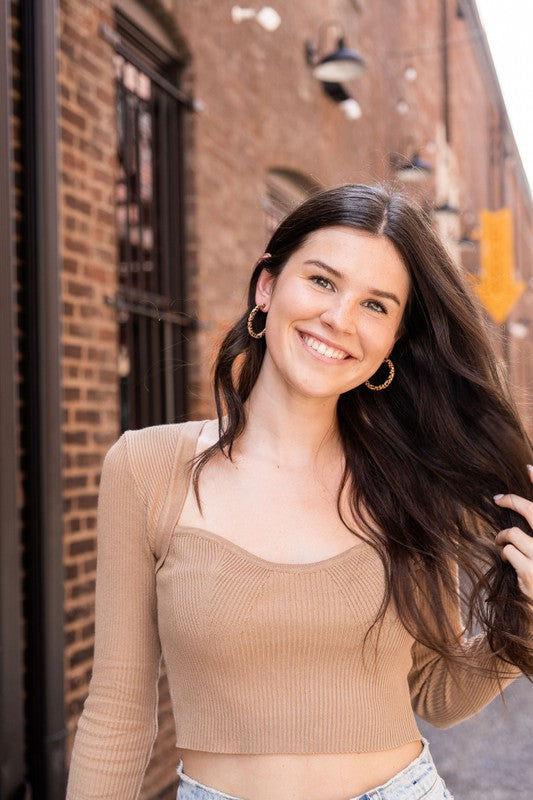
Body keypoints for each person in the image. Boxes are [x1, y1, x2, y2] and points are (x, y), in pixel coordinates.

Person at [67, 184, 533, 800]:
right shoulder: (146, 467)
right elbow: (118, 714)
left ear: (393, 340)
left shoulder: (408, 482)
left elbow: (436, 695)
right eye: (321, 281)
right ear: (268, 286)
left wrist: (526, 616)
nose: (339, 319)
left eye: (376, 306)